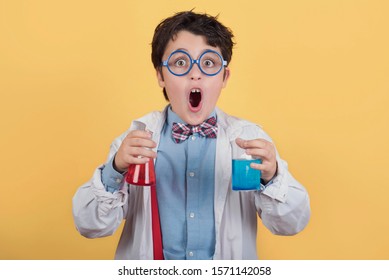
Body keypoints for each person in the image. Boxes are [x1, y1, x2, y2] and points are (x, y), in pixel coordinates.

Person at [72, 10, 310, 260]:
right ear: (160, 76)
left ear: (224, 77)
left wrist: (272, 177)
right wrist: (115, 169)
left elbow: (291, 224)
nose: (194, 73)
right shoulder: (135, 141)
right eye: (180, 62)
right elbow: (90, 226)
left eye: (208, 63)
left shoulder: (249, 141)